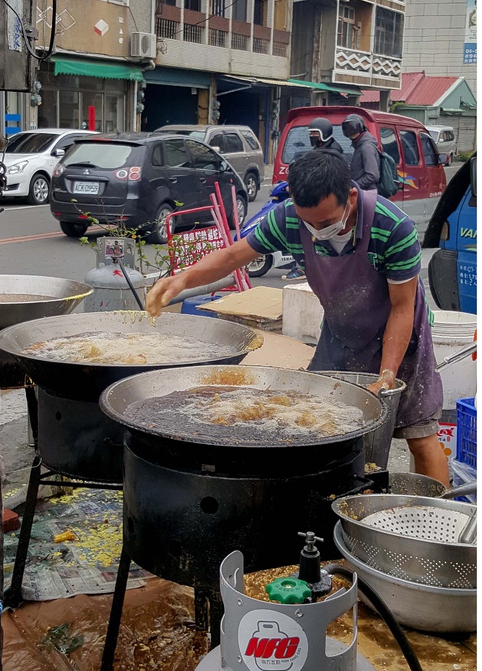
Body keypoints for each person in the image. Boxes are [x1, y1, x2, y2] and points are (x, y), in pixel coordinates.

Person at [146, 150, 448, 485]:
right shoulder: (287, 218)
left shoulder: (393, 228)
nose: (317, 231)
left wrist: (387, 373)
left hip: (402, 340)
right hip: (340, 334)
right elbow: (233, 255)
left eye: (326, 222)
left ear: (350, 196)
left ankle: (442, 521)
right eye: (309, 223)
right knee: (318, 425)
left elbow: (403, 307)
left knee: (420, 436)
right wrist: (182, 279)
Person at [282, 117, 345, 280]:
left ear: (325, 134)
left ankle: (306, 266)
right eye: (311, 134)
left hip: (323, 200)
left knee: (313, 232)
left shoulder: (332, 153)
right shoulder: (318, 150)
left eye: (316, 134)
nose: (313, 137)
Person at [342, 113, 381, 190]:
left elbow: (372, 175)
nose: (350, 131)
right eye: (347, 128)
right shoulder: (359, 145)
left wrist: (354, 186)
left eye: (352, 127)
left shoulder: (366, 147)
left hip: (366, 193)